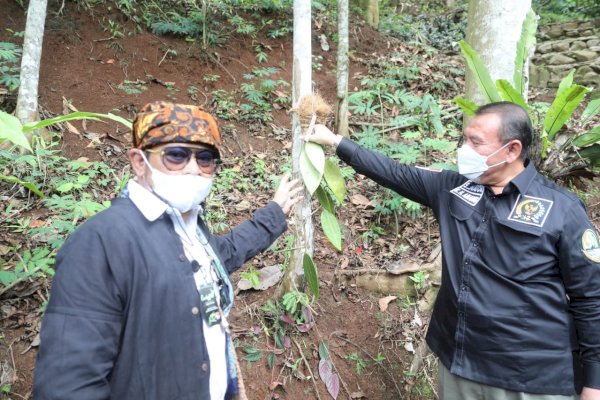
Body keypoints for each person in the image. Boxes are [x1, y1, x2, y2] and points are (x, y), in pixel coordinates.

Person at [305, 102, 600, 400]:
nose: (464, 149)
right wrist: (335, 142)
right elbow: (393, 172)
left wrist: (594, 382)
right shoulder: (452, 188)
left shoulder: (561, 209)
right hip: (459, 363)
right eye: (465, 139)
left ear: (512, 150)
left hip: (530, 377)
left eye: (476, 142)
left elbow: (591, 297)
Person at [33, 101, 302, 399]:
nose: (192, 169)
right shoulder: (100, 243)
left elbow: (223, 254)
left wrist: (274, 213)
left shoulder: (190, 228)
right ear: (139, 161)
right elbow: (69, 384)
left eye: (205, 159)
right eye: (176, 155)